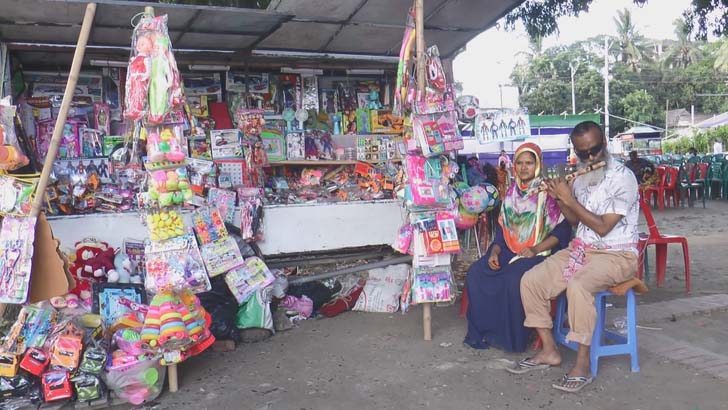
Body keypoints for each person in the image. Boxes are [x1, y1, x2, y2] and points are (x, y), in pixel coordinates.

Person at [507, 121, 639, 394]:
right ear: (576, 152)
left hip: (617, 254)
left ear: (604, 143)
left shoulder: (623, 177)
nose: (591, 158)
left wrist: (570, 198)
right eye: (584, 154)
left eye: (595, 150)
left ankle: (582, 365)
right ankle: (549, 350)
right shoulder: (580, 176)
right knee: (531, 280)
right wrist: (560, 198)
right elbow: (574, 221)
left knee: (578, 285)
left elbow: (603, 226)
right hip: (582, 248)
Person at [464, 143, 571, 352]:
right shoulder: (511, 194)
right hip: (511, 250)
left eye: (529, 163)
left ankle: (512, 337)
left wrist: (535, 249)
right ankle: (486, 332)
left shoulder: (548, 193)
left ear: (538, 165)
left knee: (513, 279)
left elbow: (562, 232)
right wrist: (495, 251)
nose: (524, 168)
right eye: (520, 163)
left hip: (540, 252)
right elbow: (502, 234)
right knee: (476, 273)